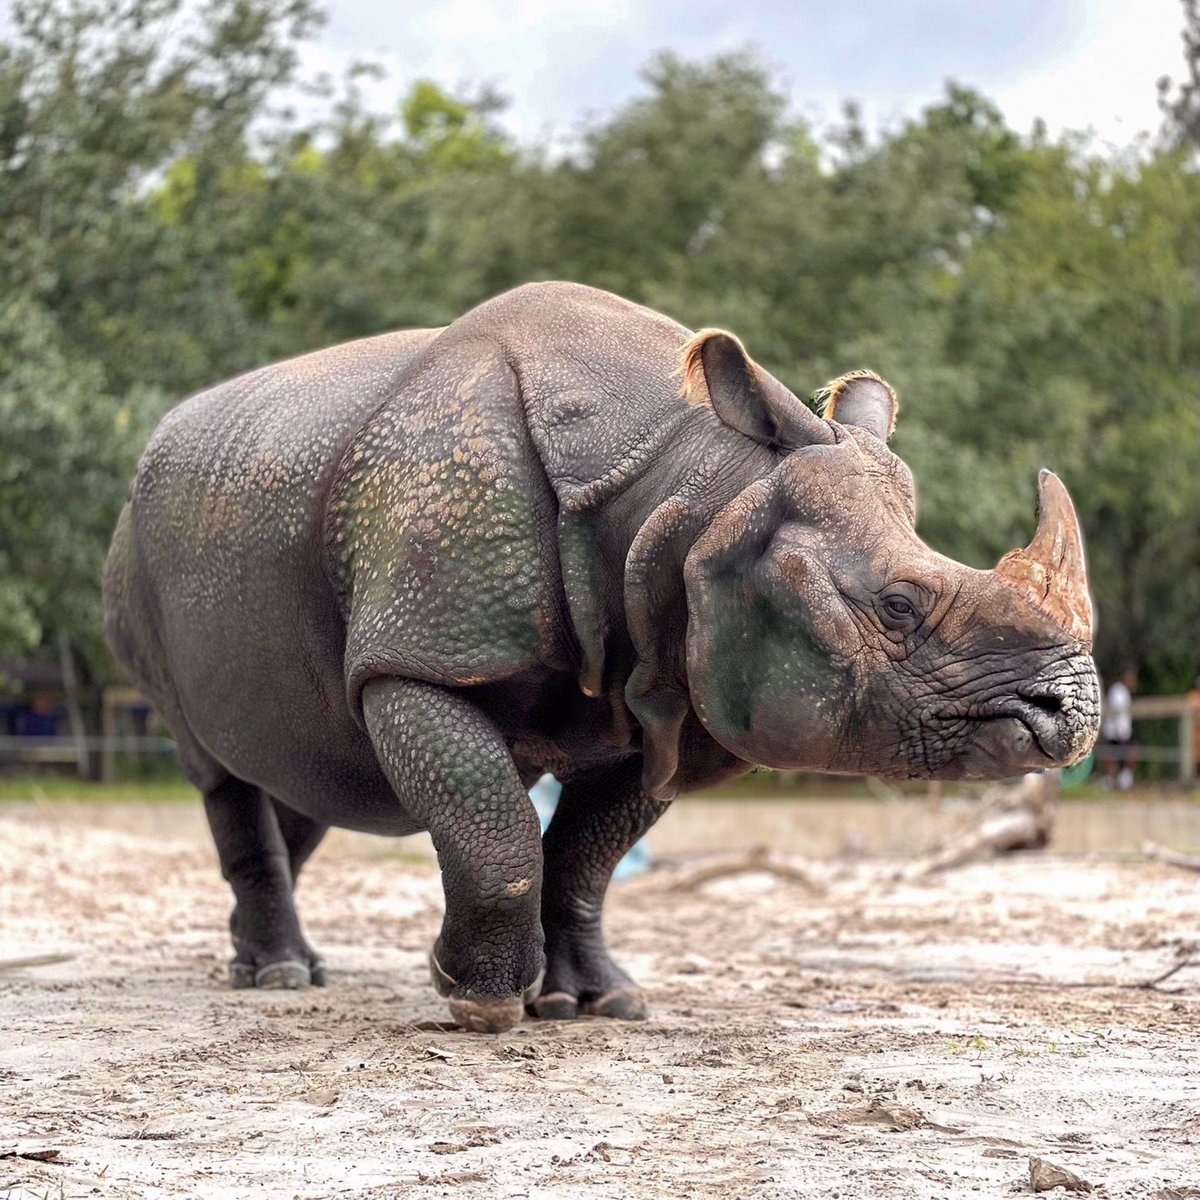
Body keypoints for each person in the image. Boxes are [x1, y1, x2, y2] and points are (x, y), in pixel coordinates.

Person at [1100, 667, 1137, 791]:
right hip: (1116, 733)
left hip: (1122, 733)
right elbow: (1117, 712)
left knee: (1127, 756)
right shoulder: (1118, 691)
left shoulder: (1124, 692)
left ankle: (1123, 781)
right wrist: (1119, 733)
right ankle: (1110, 783)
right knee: (1113, 758)